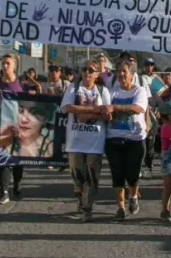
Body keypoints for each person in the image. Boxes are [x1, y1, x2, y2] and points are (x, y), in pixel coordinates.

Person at [61, 60, 112, 222]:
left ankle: (87, 208)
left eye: (91, 70)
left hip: (95, 142)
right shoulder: (73, 88)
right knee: (77, 176)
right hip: (75, 140)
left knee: (91, 177)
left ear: (97, 74)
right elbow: (68, 108)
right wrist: (94, 110)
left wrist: (86, 114)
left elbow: (107, 113)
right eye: (85, 69)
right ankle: (80, 198)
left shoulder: (102, 91)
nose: (88, 73)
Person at [105, 60, 148, 220]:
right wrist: (106, 112)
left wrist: (115, 108)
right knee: (117, 175)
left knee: (132, 175)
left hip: (135, 139)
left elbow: (138, 108)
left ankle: (134, 196)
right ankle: (121, 208)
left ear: (132, 75)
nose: (122, 74)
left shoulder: (140, 91)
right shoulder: (110, 92)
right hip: (113, 139)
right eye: (119, 71)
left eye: (125, 71)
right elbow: (104, 108)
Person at [0, 54, 25, 204]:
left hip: (19, 127)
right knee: (3, 158)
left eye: (8, 64)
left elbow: (29, 105)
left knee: (18, 160)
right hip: (1, 126)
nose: (5, 66)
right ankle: (3, 192)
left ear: (14, 66)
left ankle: (16, 184)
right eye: (3, 63)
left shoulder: (22, 84)